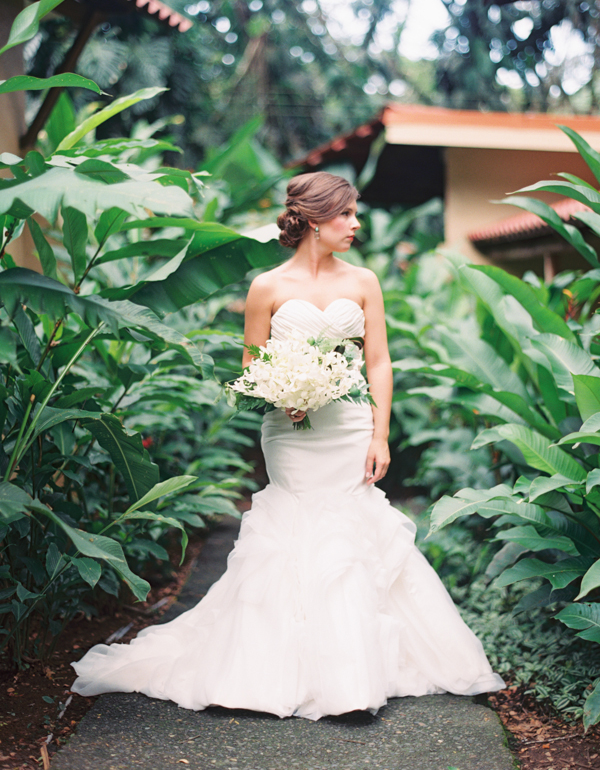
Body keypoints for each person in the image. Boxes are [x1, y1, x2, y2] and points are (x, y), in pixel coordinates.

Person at [71, 172, 504, 720]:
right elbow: (251, 370)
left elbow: (378, 362)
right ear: (316, 221)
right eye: (346, 214)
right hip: (290, 432)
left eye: (355, 214)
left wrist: (380, 432)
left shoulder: (365, 281)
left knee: (350, 530)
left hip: (348, 426)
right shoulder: (266, 288)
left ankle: (351, 672)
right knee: (295, 528)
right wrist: (284, 394)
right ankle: (270, 666)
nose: (356, 224)